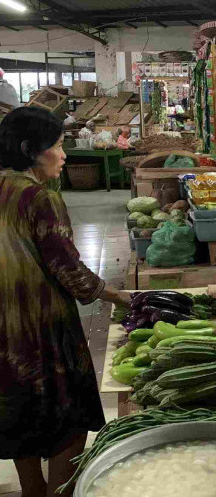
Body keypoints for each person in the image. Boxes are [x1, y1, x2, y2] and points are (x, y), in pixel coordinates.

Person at [0, 107, 132, 496]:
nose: (65, 155)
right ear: (31, 150)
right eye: (58, 146)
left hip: (4, 332)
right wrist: (121, 295)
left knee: (20, 416)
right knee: (68, 424)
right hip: (40, 328)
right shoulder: (37, 198)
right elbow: (72, 274)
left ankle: (32, 492)